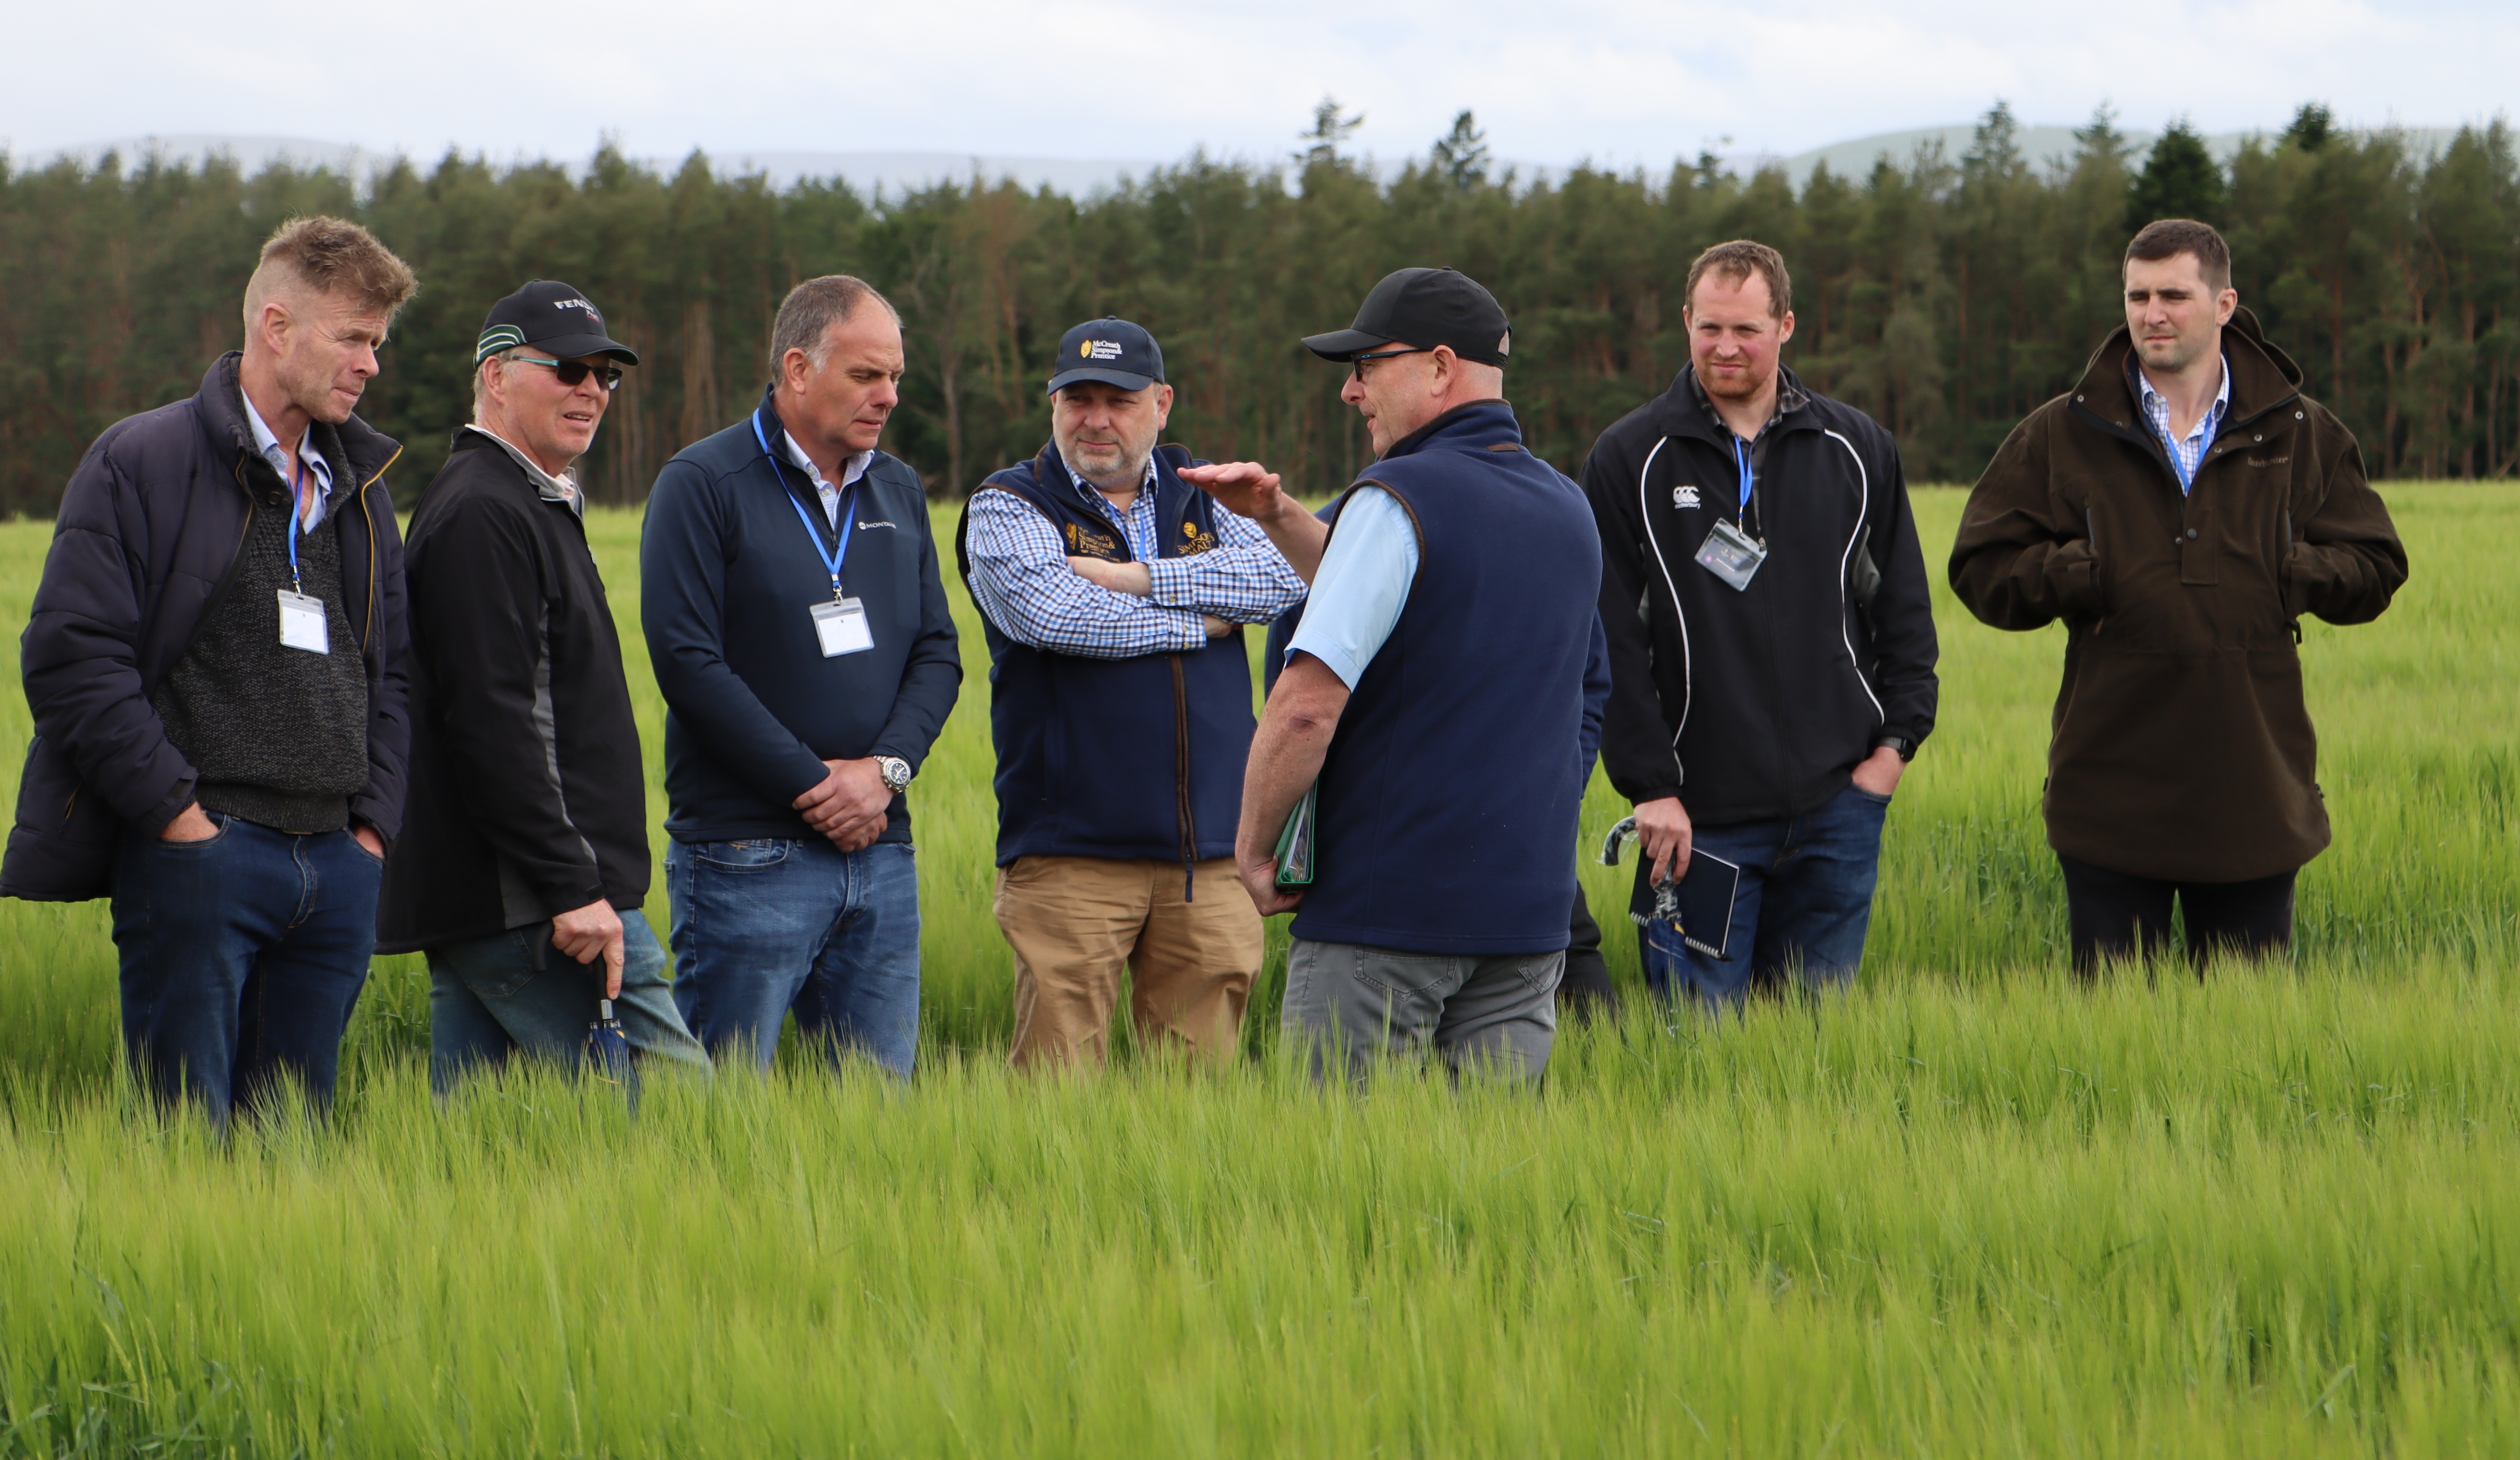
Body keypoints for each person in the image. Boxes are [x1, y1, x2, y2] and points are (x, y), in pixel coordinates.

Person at [3, 217, 417, 1127]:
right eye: (352, 338)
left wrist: (371, 836)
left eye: (376, 344)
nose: (370, 365)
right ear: (277, 327)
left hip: (335, 869)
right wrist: (178, 823)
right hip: (205, 859)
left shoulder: (363, 489)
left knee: (293, 1154)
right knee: (184, 1141)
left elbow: (393, 676)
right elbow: (73, 658)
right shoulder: (141, 460)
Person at [1949, 219, 2406, 975]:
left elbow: (2378, 564)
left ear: (2224, 303)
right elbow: (1980, 567)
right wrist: (2078, 576)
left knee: (2246, 1046)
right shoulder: (2065, 432)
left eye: (2173, 295)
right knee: (2110, 1046)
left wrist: (2292, 571)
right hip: (2109, 792)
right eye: (2137, 296)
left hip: (2254, 791)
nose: (2151, 313)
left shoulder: (2301, 433)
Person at [1190, 267, 1604, 1084]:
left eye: (1365, 367)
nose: (1350, 391)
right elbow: (1578, 690)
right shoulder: (1565, 506)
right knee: (1481, 1190)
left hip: (1385, 921)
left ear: (1440, 367)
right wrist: (1279, 515)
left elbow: (1306, 707)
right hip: (1526, 926)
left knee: (1348, 1191)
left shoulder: (1398, 497)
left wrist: (1250, 847)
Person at [1582, 240, 1940, 1012]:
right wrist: (1650, 788)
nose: (1725, 347)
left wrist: (1891, 754)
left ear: (1786, 325)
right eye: (1709, 328)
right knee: (1694, 1056)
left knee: (1815, 1056)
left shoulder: (1856, 448)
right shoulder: (1628, 457)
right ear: (1686, 322)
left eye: (1746, 330)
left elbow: (1903, 611)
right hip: (1693, 822)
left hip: (1837, 813)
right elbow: (1609, 639)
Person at [377, 281, 708, 1094]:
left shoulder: (523, 500)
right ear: (495, 376)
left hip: (517, 898)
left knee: (489, 1155)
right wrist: (572, 886)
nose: (592, 390)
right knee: (689, 1121)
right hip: (542, 903)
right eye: (567, 369)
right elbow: (492, 720)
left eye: (606, 375)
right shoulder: (485, 512)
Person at [957, 318, 1305, 1070]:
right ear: (1051, 405)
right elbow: (1055, 617)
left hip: (1212, 856)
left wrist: (1135, 578)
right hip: (1069, 857)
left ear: (1163, 403)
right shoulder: (1009, 504)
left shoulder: (1209, 493)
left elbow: (1287, 576)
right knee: (1053, 1095)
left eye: (1118, 400)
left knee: (1199, 1104)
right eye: (1076, 399)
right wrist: (1206, 621)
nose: (1096, 420)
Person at [640, 275, 962, 1077]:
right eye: (866, 376)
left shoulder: (897, 487)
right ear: (797, 368)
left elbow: (938, 650)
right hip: (748, 854)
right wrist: (817, 787)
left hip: (882, 849)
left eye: (895, 377)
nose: (888, 397)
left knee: (874, 1117)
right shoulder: (703, 483)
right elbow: (688, 661)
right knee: (722, 1116)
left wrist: (882, 777)